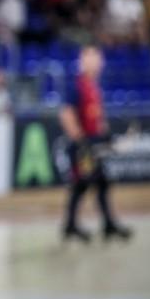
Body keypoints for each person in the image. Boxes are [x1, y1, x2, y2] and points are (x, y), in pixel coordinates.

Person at [59, 46, 133, 243]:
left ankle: (92, 224)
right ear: (84, 61)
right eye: (94, 58)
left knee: (98, 183)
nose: (100, 62)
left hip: (94, 144)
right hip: (85, 146)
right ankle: (77, 225)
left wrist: (105, 135)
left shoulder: (93, 87)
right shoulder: (77, 86)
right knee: (84, 184)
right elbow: (66, 113)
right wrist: (80, 139)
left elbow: (97, 117)